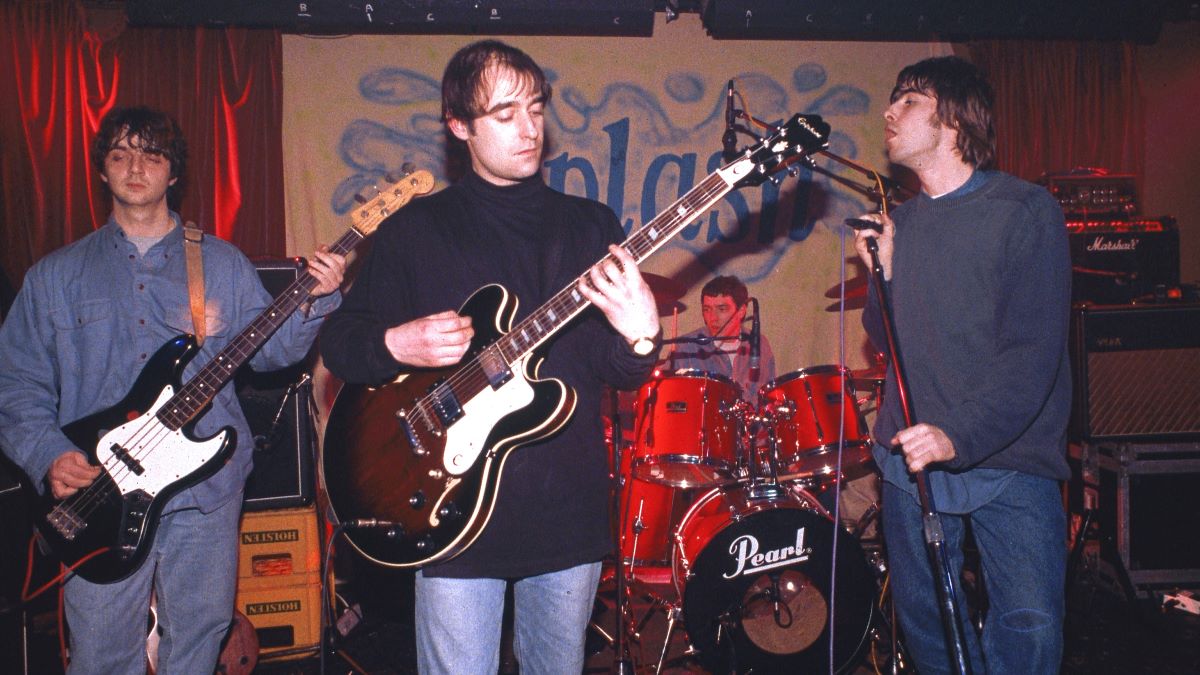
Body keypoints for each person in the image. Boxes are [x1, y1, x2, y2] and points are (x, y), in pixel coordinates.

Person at [318, 40, 661, 674]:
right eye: (504, 115)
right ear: (460, 127)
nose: (529, 129)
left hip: (565, 511)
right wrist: (398, 343)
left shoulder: (590, 226)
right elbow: (341, 339)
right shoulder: (416, 231)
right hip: (447, 508)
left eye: (535, 108)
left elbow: (611, 369)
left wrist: (641, 337)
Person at [0, 106, 346, 673]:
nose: (136, 167)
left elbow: (275, 355)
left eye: (152, 155)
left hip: (204, 494)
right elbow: (15, 383)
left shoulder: (221, 264)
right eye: (120, 155)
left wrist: (317, 298)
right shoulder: (54, 277)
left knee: (199, 640)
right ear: (103, 171)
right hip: (99, 496)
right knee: (102, 653)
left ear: (173, 172)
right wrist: (48, 453)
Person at [853, 56, 1071, 674]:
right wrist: (883, 270)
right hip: (910, 465)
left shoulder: (1024, 211)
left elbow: (1033, 353)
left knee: (1027, 629)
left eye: (910, 101)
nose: (889, 113)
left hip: (1008, 459)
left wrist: (959, 433)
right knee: (929, 629)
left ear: (953, 121)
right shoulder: (902, 222)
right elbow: (883, 335)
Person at [665, 274, 776, 401]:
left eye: (722, 309)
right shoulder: (685, 348)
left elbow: (769, 396)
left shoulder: (760, 344)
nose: (713, 318)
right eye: (707, 310)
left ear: (741, 311)